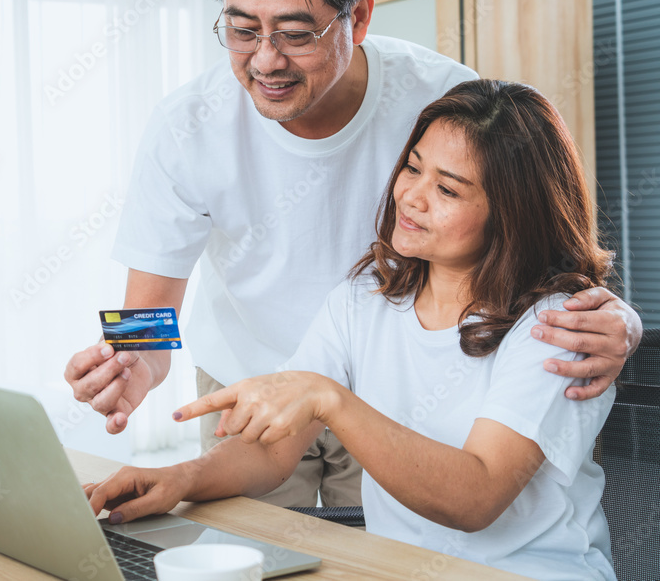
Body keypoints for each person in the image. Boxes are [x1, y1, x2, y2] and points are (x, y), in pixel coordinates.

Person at [64, 0, 641, 509]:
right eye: (242, 30)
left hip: (398, 381)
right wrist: (135, 360)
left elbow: (532, 233)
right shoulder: (187, 125)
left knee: (384, 542)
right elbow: (150, 307)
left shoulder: (440, 101)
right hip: (252, 376)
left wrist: (618, 317)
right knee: (256, 546)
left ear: (359, 16)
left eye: (295, 32)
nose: (265, 61)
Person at [86, 80, 618, 580]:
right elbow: (154, 286)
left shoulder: (560, 327)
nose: (409, 197)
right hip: (250, 363)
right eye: (410, 168)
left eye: (448, 190)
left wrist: (329, 399)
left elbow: (473, 499)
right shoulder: (187, 121)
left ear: (353, 18)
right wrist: (147, 381)